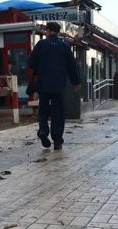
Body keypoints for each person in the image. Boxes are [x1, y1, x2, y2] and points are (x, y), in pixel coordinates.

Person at [28, 22, 80, 150]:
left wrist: (40, 67)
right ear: (57, 32)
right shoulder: (64, 46)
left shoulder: (41, 44)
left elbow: (31, 63)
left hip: (43, 85)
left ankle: (43, 132)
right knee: (58, 112)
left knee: (43, 110)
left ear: (48, 31)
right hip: (59, 85)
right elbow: (72, 66)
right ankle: (57, 140)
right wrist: (76, 82)